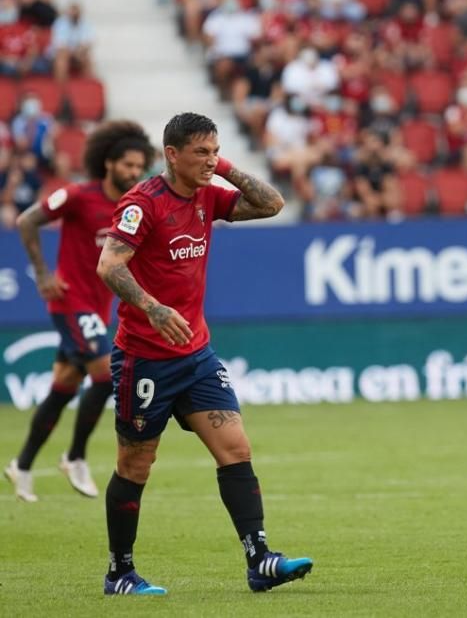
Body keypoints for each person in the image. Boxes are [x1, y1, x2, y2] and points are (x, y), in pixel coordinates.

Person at [95, 112, 311, 596]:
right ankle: (119, 573)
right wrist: (151, 308)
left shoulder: (208, 194)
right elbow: (109, 265)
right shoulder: (142, 204)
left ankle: (261, 560)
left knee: (236, 448)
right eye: (200, 152)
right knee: (135, 466)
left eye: (215, 150)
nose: (209, 160)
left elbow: (272, 203)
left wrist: (223, 167)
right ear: (172, 155)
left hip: (195, 355)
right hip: (144, 359)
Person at [4, 121, 154, 502]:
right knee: (105, 376)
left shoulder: (133, 207)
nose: (134, 173)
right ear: (108, 163)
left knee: (63, 388)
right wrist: (42, 274)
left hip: (99, 308)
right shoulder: (77, 196)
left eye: (140, 167)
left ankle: (21, 466)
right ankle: (75, 456)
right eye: (128, 165)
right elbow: (27, 220)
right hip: (70, 302)